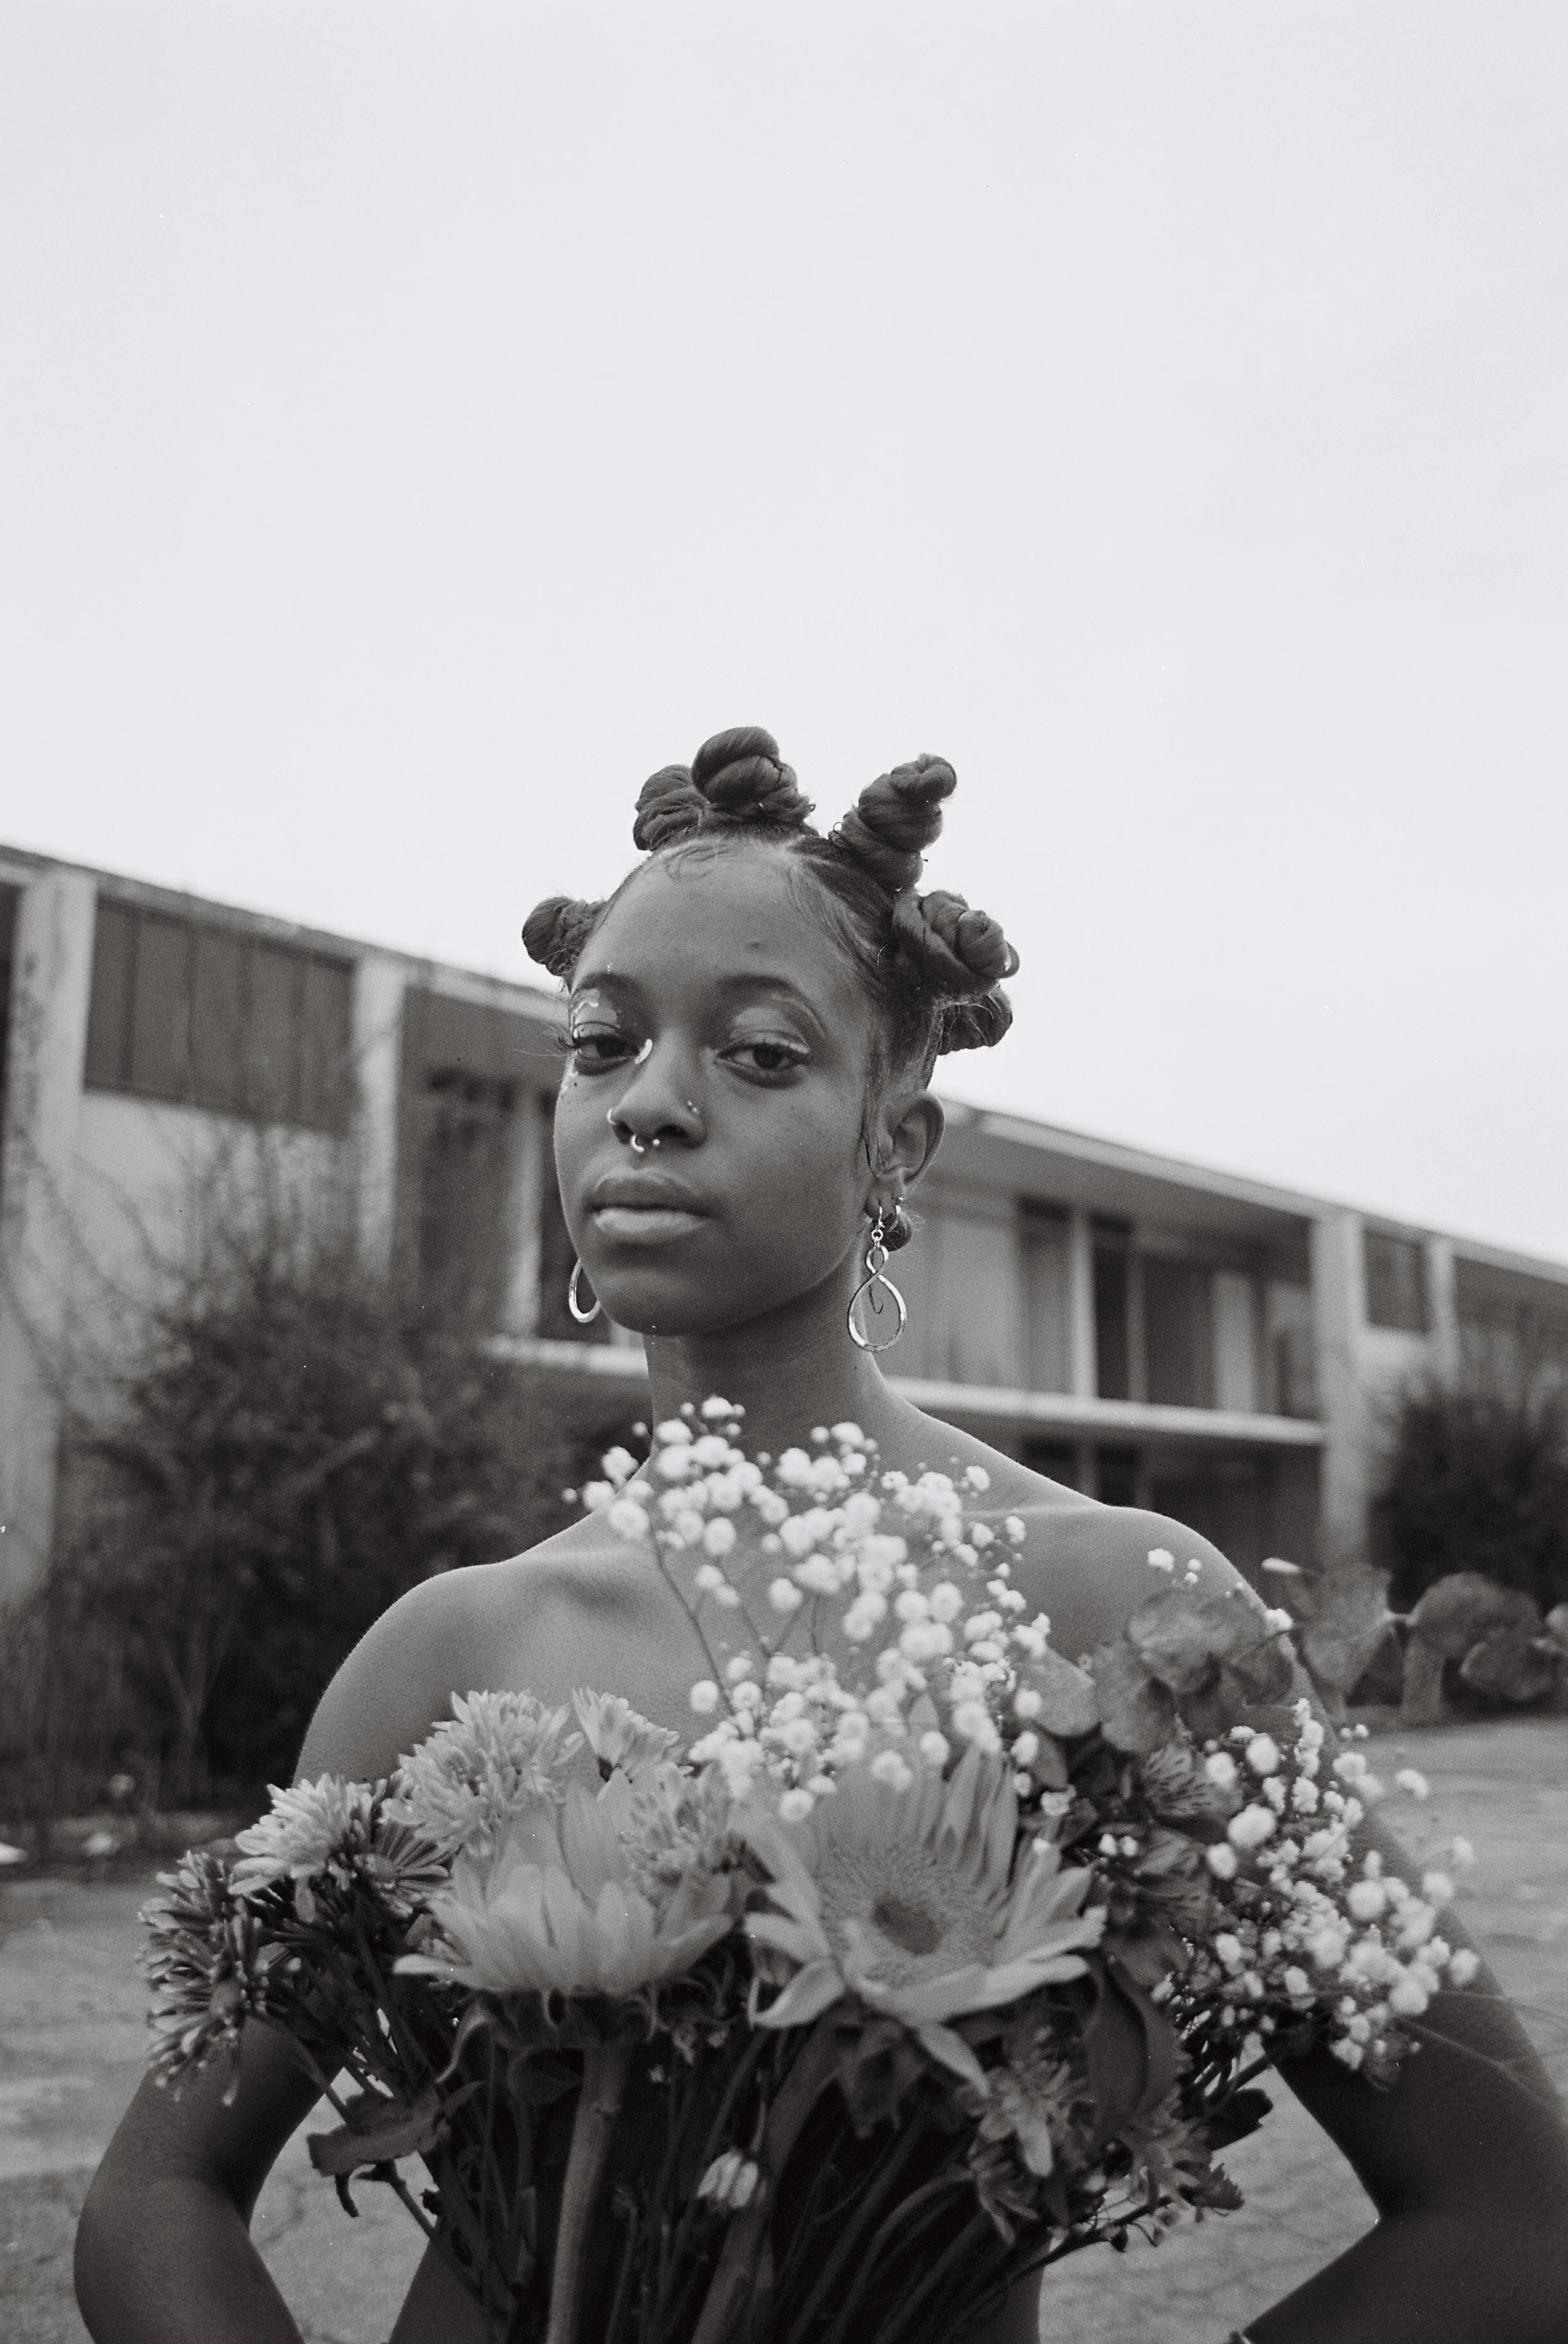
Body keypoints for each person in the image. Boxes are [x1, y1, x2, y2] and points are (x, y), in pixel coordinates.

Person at [78, 727, 1568, 2343]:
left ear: (894, 1147)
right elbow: (159, 2194)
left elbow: (1509, 2221)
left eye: (761, 1054)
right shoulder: (455, 1646)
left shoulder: (1124, 1616)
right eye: (602, 1043)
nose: (649, 1103)